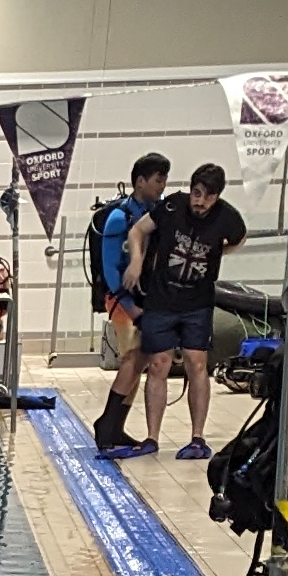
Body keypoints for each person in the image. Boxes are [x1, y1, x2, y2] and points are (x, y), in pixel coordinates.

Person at [110, 166, 247, 461]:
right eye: (197, 194)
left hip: (197, 302)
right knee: (158, 365)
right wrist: (136, 261)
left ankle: (197, 437)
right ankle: (151, 437)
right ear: (191, 189)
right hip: (162, 299)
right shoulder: (172, 205)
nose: (200, 202)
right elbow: (137, 230)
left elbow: (239, 237)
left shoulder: (227, 217)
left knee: (197, 364)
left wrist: (218, 253)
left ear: (217, 197)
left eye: (208, 198)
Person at [84, 156, 172, 451]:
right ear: (141, 181)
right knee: (133, 357)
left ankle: (114, 424)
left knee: (140, 359)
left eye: (164, 179)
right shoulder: (120, 218)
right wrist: (130, 306)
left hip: (147, 297)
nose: (163, 186)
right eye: (158, 179)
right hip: (124, 298)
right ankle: (108, 424)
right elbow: (111, 268)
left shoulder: (155, 213)